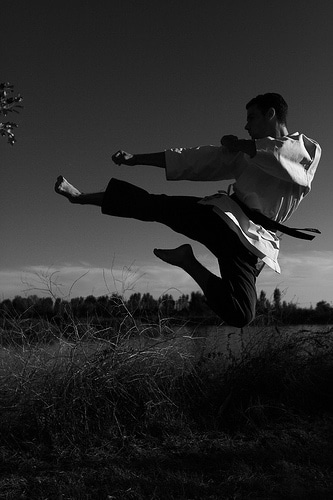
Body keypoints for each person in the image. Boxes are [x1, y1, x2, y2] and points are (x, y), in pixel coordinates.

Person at [55, 93, 321, 327]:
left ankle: (187, 261)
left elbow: (286, 157)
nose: (246, 125)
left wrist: (241, 145)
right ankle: (80, 197)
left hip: (253, 247)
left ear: (271, 114)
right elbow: (195, 159)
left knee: (240, 314)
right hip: (223, 220)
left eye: (251, 117)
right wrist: (137, 160)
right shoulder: (247, 153)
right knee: (155, 205)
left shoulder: (306, 149)